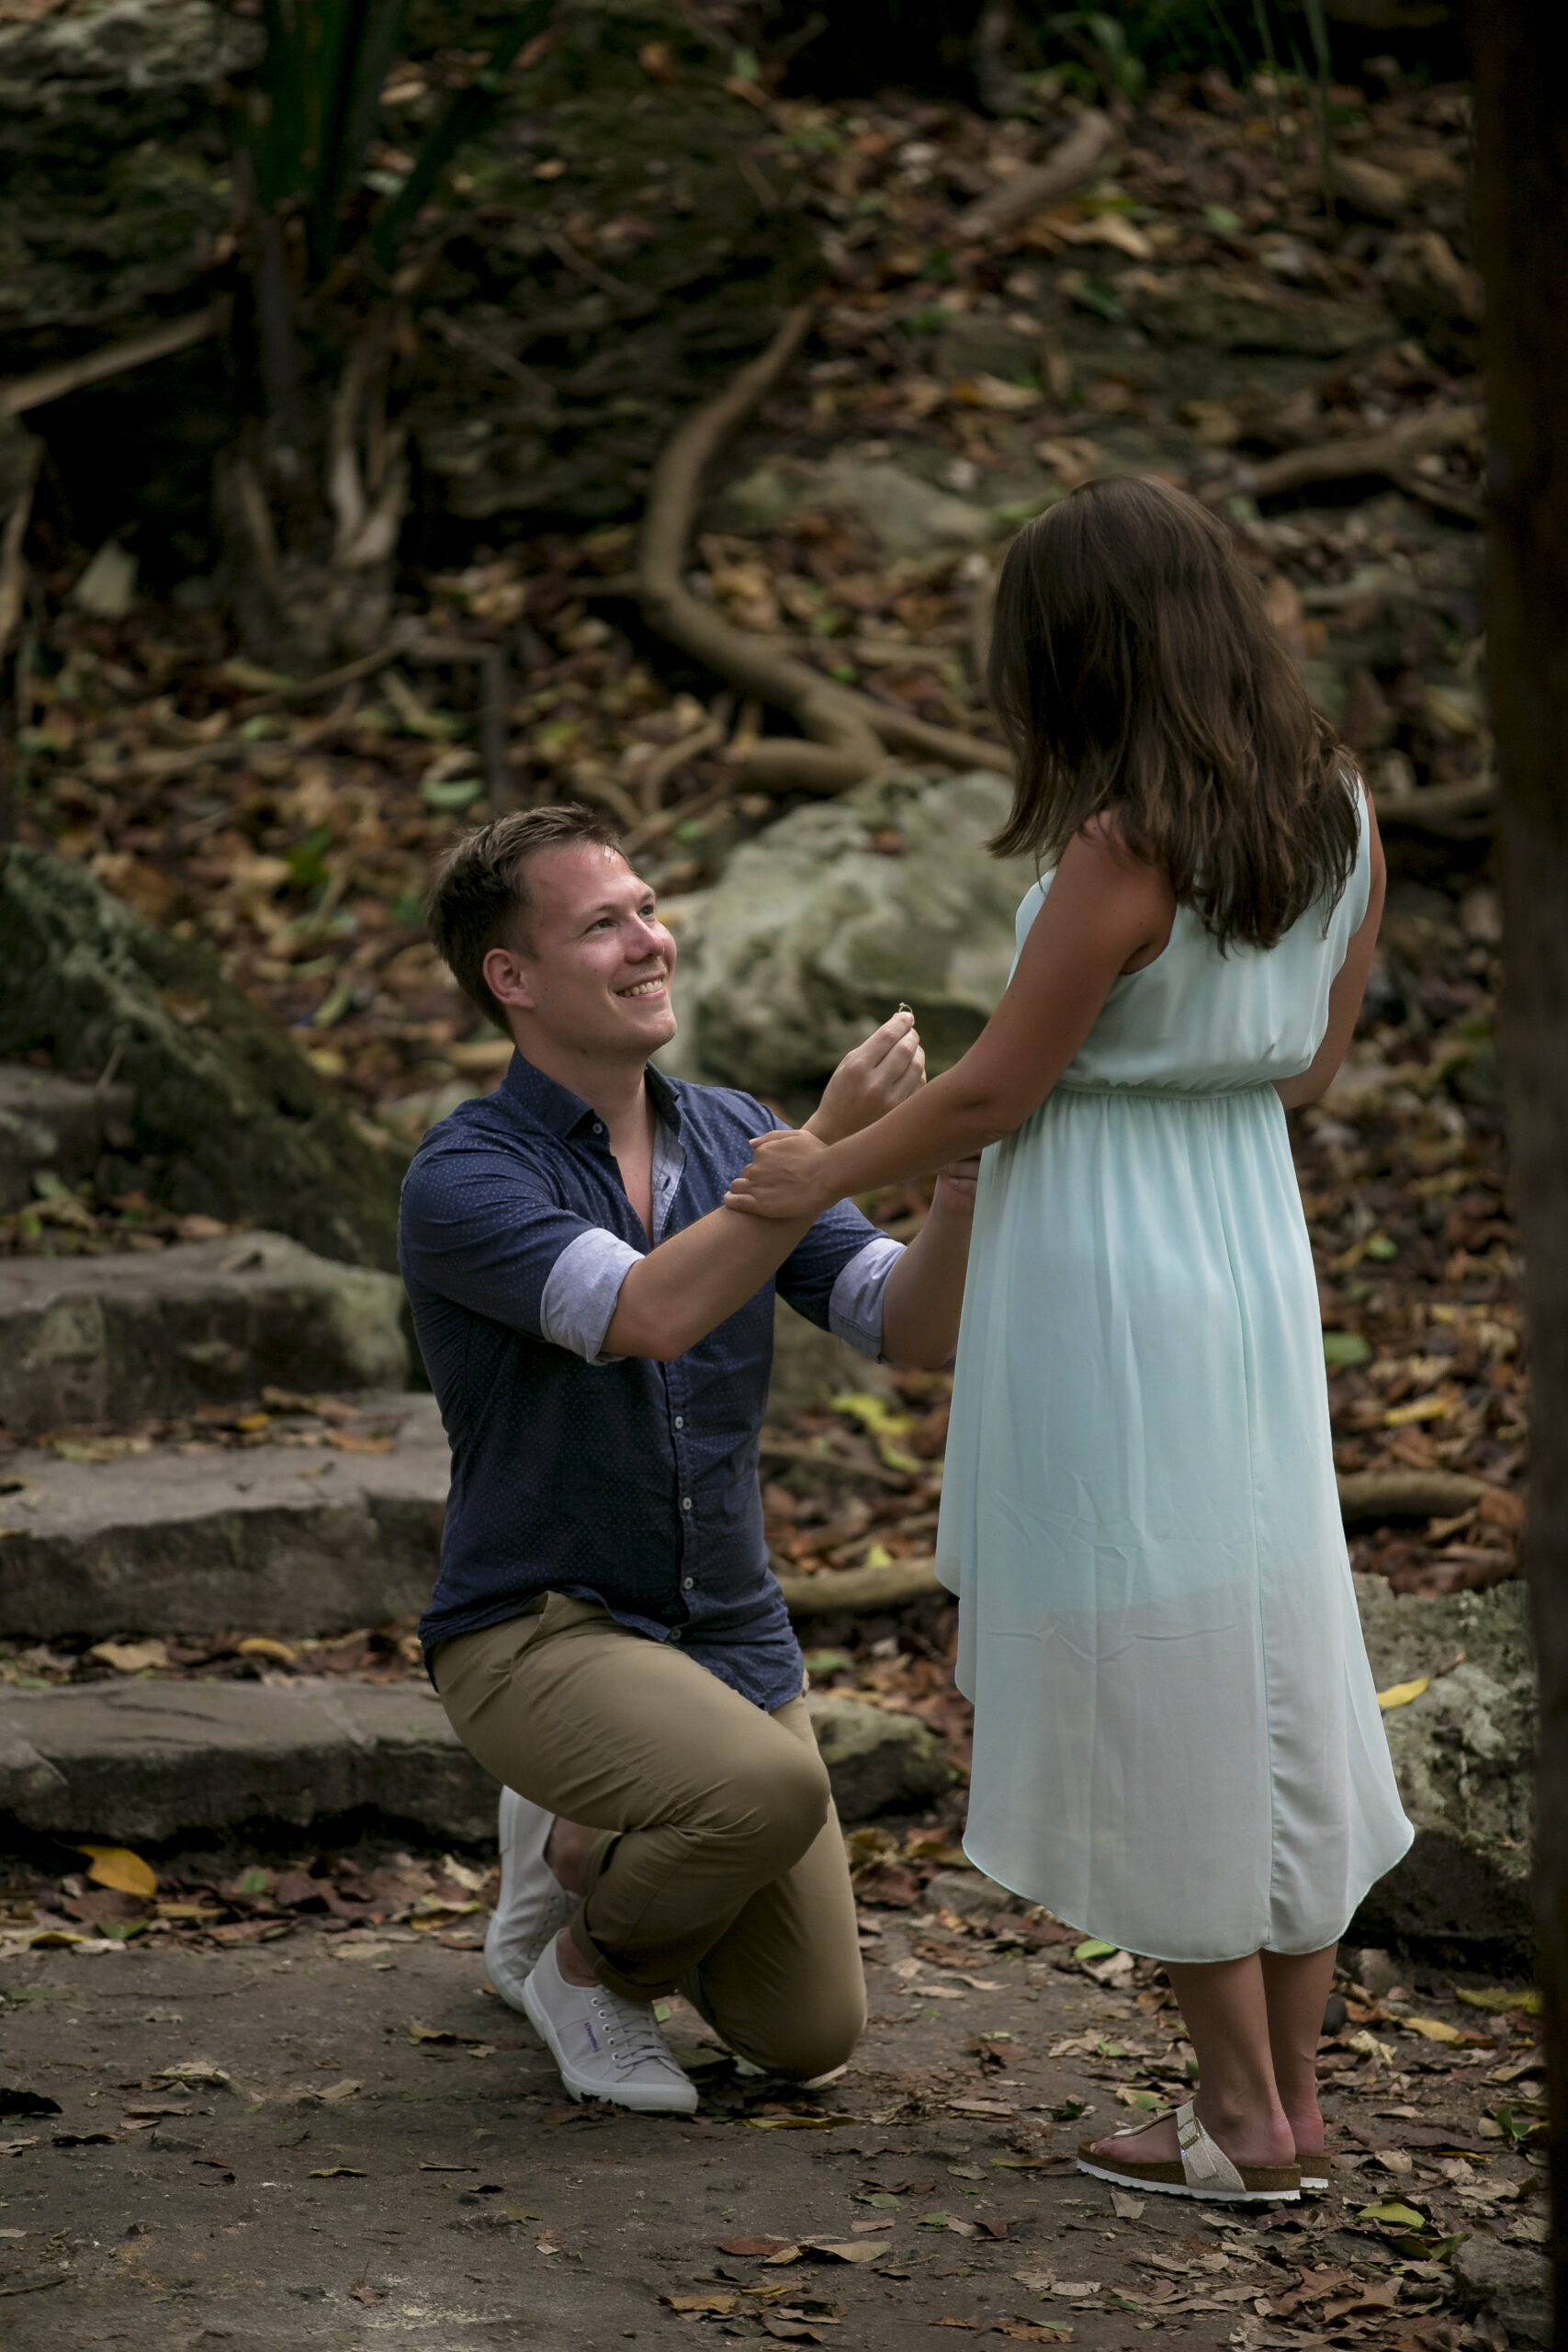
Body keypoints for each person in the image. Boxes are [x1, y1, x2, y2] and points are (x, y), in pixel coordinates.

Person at [726, 476, 1414, 2205]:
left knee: (1161, 1648)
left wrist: (820, 1168)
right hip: (1248, 1246)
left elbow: (1000, 1084)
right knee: (1264, 1644)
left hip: (1112, 1261)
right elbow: (1312, 1071)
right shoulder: (1334, 810)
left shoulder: (1124, 842)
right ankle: (1287, 2106)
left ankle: (1245, 2118)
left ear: (1080, 652)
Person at [400, 805, 978, 2115]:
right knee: (765, 1788)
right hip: (540, 1628)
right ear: (514, 978)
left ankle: (582, 1843)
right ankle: (582, 1968)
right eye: (603, 923)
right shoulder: (466, 1175)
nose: (649, 941)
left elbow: (911, 1324)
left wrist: (954, 1182)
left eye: (649, 909)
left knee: (807, 2032)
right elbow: (650, 1312)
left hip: (728, 1636)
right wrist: (825, 1156)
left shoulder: (732, 1131)